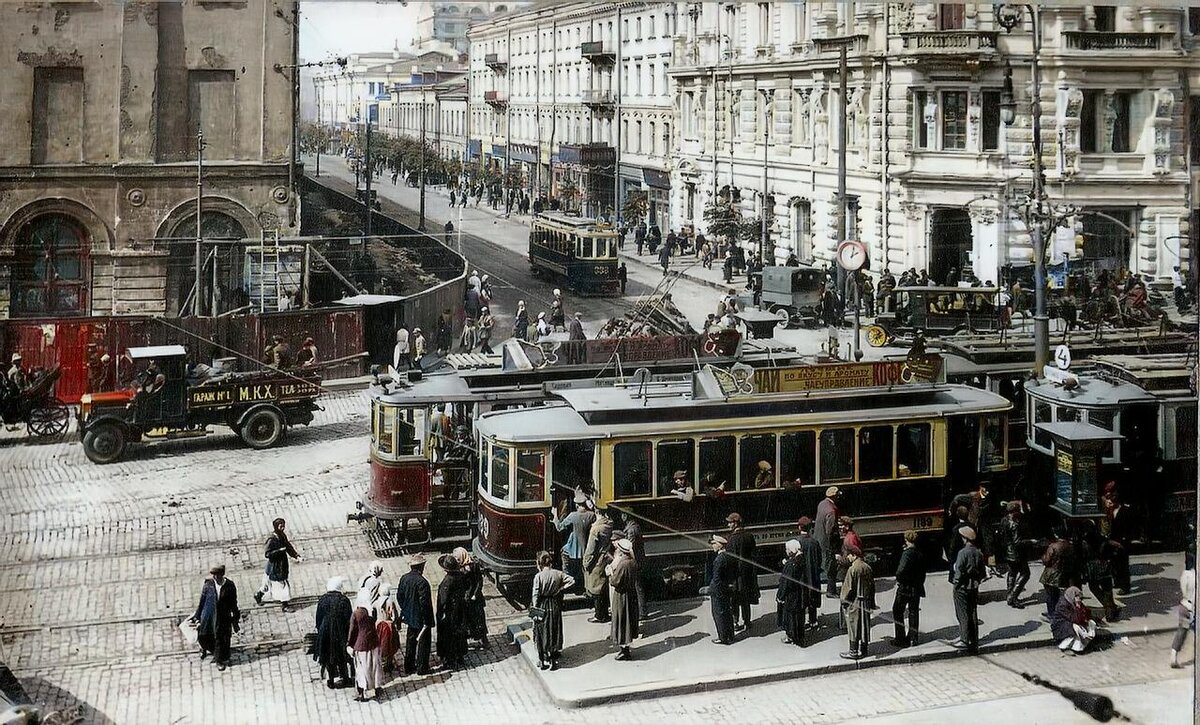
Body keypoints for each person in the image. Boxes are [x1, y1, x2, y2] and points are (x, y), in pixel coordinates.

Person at [190, 564, 240, 671]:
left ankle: (219, 660)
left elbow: (233, 603)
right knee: (203, 635)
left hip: (222, 617)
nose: (215, 577)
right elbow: (202, 601)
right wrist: (197, 616)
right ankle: (205, 648)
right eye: (213, 575)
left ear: (222, 574)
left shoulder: (229, 586)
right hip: (208, 615)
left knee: (219, 638)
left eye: (217, 575)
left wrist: (235, 618)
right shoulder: (208, 585)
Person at [531, 551, 576, 670]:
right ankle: (553, 660)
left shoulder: (538, 577)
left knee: (541, 631)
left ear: (539, 563)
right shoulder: (558, 573)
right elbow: (572, 580)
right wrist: (560, 588)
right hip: (554, 604)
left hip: (542, 605)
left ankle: (542, 660)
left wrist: (535, 610)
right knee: (553, 629)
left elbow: (535, 594)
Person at [311, 577, 353, 688]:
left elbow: (318, 617)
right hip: (340, 632)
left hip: (325, 631)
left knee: (327, 655)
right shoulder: (344, 600)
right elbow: (348, 618)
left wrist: (320, 629)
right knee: (342, 655)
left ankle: (330, 679)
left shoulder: (323, 599)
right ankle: (345, 677)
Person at [397, 554, 434, 676]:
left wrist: (406, 610)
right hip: (421, 619)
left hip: (409, 617)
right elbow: (425, 604)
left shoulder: (404, 578)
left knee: (410, 641)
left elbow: (400, 597)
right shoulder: (422, 583)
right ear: (421, 566)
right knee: (424, 643)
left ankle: (409, 666)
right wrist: (428, 621)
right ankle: (422, 667)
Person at [255, 518, 302, 612]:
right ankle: (285, 605)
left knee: (267, 583)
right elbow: (267, 554)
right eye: (281, 526)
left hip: (281, 564)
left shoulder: (282, 535)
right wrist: (279, 551)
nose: (283, 528)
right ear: (276, 527)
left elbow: (288, 546)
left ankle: (258, 595)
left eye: (283, 525)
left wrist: (296, 555)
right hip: (275, 566)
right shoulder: (271, 539)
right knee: (283, 585)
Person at [552, 492, 596, 593]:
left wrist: (555, 516)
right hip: (585, 548)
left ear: (576, 505)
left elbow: (559, 527)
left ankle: (566, 580)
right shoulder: (591, 515)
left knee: (563, 555)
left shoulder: (573, 515)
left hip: (573, 549)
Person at [951, 526, 985, 653]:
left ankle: (964, 639)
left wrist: (956, 584)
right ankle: (974, 639)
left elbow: (958, 571)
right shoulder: (979, 553)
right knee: (973, 612)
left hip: (962, 586)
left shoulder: (962, 553)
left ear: (965, 539)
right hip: (974, 586)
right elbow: (982, 573)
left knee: (962, 613)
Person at [839, 545, 875, 660]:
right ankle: (864, 649)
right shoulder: (867, 567)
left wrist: (843, 601)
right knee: (864, 625)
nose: (848, 558)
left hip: (855, 602)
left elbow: (848, 588)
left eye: (849, 555)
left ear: (853, 555)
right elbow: (872, 587)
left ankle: (853, 651)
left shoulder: (852, 569)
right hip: (866, 601)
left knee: (853, 626)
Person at [726, 513, 760, 632]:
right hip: (747, 574)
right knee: (746, 600)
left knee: (734, 599)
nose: (728, 525)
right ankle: (747, 621)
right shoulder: (749, 536)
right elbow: (754, 554)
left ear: (735, 523)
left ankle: (735, 622)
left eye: (730, 522)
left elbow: (729, 559)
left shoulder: (731, 539)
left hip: (735, 575)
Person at [891, 530, 926, 647]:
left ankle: (900, 638)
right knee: (913, 611)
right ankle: (913, 638)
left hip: (905, 587)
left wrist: (899, 579)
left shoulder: (907, 554)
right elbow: (923, 573)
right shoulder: (920, 554)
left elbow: (900, 571)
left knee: (897, 610)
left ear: (906, 540)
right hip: (916, 587)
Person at [436, 554, 470, 670]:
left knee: (448, 636)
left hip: (450, 614)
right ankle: (460, 656)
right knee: (459, 634)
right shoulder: (461, 576)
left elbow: (443, 600)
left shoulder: (447, 581)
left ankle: (449, 660)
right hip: (460, 610)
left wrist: (441, 614)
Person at [608, 538, 639, 660]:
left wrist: (611, 572)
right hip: (631, 594)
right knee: (628, 622)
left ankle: (624, 651)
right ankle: (626, 649)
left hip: (621, 596)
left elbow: (615, 581)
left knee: (621, 621)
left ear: (621, 551)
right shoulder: (632, 562)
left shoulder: (623, 564)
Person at [348, 592, 382, 701]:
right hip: (374, 642)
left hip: (361, 645)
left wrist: (349, 644)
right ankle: (378, 688)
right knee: (376, 667)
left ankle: (363, 693)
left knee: (362, 669)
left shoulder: (357, 613)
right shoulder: (372, 610)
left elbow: (352, 631)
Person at [583, 508, 614, 623]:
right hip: (604, 558)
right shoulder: (609, 525)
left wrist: (586, 562)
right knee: (602, 585)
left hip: (596, 560)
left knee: (596, 587)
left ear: (597, 513)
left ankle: (599, 615)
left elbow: (590, 549)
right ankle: (604, 613)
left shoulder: (595, 529)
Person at [999, 502, 1031, 608]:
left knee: (1012, 573)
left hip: (1007, 552)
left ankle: (1009, 594)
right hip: (1017, 553)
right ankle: (1013, 595)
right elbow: (1017, 542)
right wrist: (1031, 541)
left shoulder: (1004, 520)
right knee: (1025, 574)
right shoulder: (1015, 524)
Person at [794, 517, 823, 629]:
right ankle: (813, 620)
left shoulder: (797, 542)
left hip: (801, 576)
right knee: (813, 598)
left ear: (799, 527)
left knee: (802, 598)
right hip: (813, 574)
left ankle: (802, 621)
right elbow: (819, 559)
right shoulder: (815, 542)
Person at [1051, 586, 1097, 654]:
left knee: (1091, 623)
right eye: (1077, 597)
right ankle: (1065, 647)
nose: (1079, 599)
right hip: (1061, 627)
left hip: (1070, 623)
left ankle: (1081, 647)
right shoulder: (1062, 605)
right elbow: (1075, 619)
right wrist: (1078, 607)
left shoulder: (1074, 602)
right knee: (1076, 628)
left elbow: (1086, 614)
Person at [709, 535, 737, 644]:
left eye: (714, 544)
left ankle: (723, 637)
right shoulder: (729, 557)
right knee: (727, 612)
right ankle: (730, 635)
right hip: (726, 588)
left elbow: (716, 578)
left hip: (718, 590)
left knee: (718, 613)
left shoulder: (718, 560)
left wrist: (713, 589)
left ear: (720, 545)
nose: (712, 546)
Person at [777, 540, 806, 646]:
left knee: (791, 617)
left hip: (791, 595)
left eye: (787, 549)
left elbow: (786, 582)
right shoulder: (801, 560)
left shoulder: (791, 564)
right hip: (800, 594)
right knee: (799, 617)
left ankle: (791, 636)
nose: (786, 551)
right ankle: (799, 637)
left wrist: (780, 596)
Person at [1041, 527, 1072, 618]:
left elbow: (1046, 560)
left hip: (1050, 574)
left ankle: (1052, 614)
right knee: (1057, 595)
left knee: (1050, 596)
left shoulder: (1053, 546)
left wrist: (1043, 556)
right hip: (1062, 573)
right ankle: (1056, 612)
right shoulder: (1070, 546)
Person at [815, 487, 841, 597]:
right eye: (837, 495)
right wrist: (835, 548)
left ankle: (816, 589)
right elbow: (830, 531)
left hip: (818, 538)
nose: (839, 497)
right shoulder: (831, 511)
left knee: (818, 566)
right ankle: (831, 591)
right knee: (831, 567)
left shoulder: (822, 504)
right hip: (827, 543)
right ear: (834, 496)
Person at [1170, 556, 1195, 668]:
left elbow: (1184, 591)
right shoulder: (1196, 575)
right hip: (1194, 608)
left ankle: (1173, 656)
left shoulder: (1185, 574)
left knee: (1181, 632)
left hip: (1184, 605)